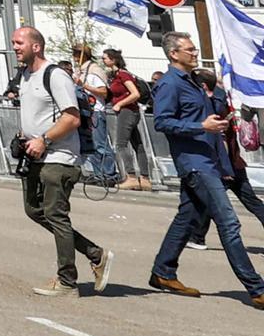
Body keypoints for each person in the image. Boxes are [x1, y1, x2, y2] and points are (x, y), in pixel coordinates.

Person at [149, 33, 264, 305]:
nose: (195, 53)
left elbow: (208, 113)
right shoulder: (169, 84)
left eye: (194, 48)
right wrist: (200, 127)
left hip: (210, 160)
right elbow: (162, 122)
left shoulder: (195, 82)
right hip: (195, 164)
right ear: (173, 54)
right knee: (228, 222)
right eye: (189, 50)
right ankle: (257, 288)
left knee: (187, 218)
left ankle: (163, 271)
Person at [12, 26, 112, 299]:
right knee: (34, 210)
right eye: (13, 42)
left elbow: (72, 118)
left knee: (56, 215)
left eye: (19, 42)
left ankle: (67, 281)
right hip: (33, 156)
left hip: (59, 158)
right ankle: (95, 253)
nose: (15, 47)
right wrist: (24, 138)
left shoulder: (55, 76)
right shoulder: (24, 75)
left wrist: (44, 139)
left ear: (36, 46)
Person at [181, 69, 264, 253]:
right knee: (248, 201)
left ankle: (198, 237)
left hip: (223, 163)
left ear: (202, 86)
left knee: (210, 202)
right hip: (230, 161)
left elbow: (221, 139)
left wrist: (223, 167)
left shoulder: (212, 105)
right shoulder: (221, 99)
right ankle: (198, 237)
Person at [103, 48, 151, 191]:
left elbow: (135, 94)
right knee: (138, 144)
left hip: (127, 111)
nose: (103, 60)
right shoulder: (116, 75)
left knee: (121, 144)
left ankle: (131, 176)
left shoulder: (123, 75)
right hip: (129, 111)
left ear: (113, 59)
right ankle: (144, 177)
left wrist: (120, 103)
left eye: (105, 58)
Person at [71, 40, 118, 183]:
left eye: (75, 53)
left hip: (95, 112)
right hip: (85, 112)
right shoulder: (81, 71)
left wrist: (84, 85)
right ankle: (98, 174)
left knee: (101, 144)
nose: (73, 56)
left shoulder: (94, 71)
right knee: (91, 145)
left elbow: (103, 92)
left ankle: (109, 174)